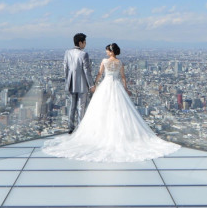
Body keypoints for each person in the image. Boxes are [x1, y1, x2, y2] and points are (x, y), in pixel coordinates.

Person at [43, 42, 179, 162]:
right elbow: (123, 77)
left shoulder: (104, 61)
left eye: (107, 50)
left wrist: (94, 85)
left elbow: (99, 74)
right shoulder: (120, 63)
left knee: (101, 109)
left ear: (111, 51)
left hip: (105, 86)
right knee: (120, 110)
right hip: (117, 86)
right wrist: (126, 89)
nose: (106, 52)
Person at [63, 32, 94, 133]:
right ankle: (81, 128)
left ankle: (70, 128)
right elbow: (87, 71)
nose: (85, 44)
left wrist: (67, 80)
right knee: (81, 107)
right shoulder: (84, 54)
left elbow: (65, 68)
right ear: (80, 43)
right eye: (84, 42)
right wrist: (91, 85)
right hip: (82, 84)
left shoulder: (67, 52)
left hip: (71, 83)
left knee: (72, 106)